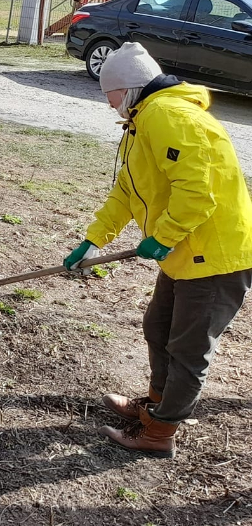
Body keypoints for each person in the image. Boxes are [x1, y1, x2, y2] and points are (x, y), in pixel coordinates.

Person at [63, 42, 252, 457]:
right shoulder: (141, 122)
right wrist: (94, 238)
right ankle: (156, 405)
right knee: (159, 328)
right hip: (185, 252)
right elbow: (127, 193)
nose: (106, 101)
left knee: (188, 348)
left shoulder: (170, 116)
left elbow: (198, 192)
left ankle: (159, 434)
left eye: (107, 92)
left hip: (215, 255)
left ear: (128, 87)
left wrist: (163, 236)